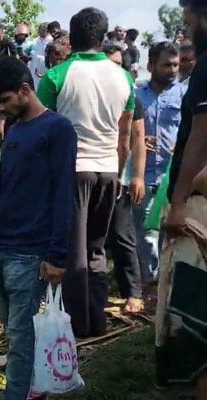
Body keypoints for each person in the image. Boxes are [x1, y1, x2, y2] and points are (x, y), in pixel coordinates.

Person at [0, 57, 77, 400]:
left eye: (4, 100)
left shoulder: (57, 130)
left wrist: (57, 255)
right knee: (15, 333)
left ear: (25, 90)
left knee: (22, 337)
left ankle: (18, 394)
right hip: (2, 244)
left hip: (29, 252)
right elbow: (13, 183)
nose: (1, 109)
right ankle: (30, 388)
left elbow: (63, 194)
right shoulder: (14, 129)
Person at [38, 7, 136, 339]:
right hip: (109, 169)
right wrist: (120, 173)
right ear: (103, 37)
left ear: (73, 35)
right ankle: (97, 319)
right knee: (96, 249)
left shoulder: (56, 76)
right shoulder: (124, 77)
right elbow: (125, 136)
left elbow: (42, 130)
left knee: (74, 251)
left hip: (74, 170)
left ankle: (77, 325)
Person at [160, 1, 207, 396]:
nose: (188, 27)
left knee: (197, 316)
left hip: (200, 206)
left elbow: (200, 136)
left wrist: (178, 202)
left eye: (189, 17)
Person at [133, 42, 186, 286]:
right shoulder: (136, 97)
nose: (172, 70)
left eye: (175, 65)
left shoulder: (185, 95)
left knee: (172, 233)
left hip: (173, 177)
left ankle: (170, 282)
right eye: (166, 65)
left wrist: (182, 142)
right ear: (150, 65)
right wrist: (140, 138)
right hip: (143, 176)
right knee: (145, 234)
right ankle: (151, 282)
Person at [103, 43, 148, 314]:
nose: (112, 69)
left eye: (117, 64)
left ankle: (132, 291)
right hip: (93, 174)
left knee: (122, 234)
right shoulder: (90, 95)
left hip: (121, 177)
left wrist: (138, 176)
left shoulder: (132, 97)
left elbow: (138, 137)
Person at [29, 22, 53, 89]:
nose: (38, 31)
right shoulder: (37, 41)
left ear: (46, 30)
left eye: (40, 29)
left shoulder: (51, 41)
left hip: (45, 68)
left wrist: (37, 57)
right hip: (35, 69)